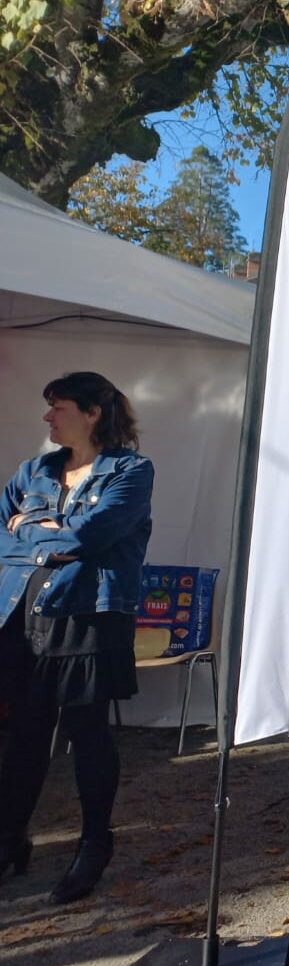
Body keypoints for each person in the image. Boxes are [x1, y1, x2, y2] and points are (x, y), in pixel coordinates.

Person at [0, 372, 154, 904]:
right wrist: (42, 537)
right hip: (22, 617)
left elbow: (94, 534)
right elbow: (2, 534)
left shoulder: (130, 471)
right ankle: (9, 838)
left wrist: (33, 529)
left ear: (91, 413)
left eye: (58, 407)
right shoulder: (33, 470)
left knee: (87, 735)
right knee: (21, 735)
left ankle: (94, 844)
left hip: (88, 616)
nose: (48, 417)